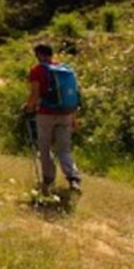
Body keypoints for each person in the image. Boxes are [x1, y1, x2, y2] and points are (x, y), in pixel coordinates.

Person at [24, 43, 82, 194]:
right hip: (66, 113)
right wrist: (74, 118)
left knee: (45, 148)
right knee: (64, 149)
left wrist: (28, 107)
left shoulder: (37, 70)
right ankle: (73, 178)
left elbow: (35, 93)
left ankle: (48, 179)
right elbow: (74, 95)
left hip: (46, 114)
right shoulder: (66, 69)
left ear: (38, 54)